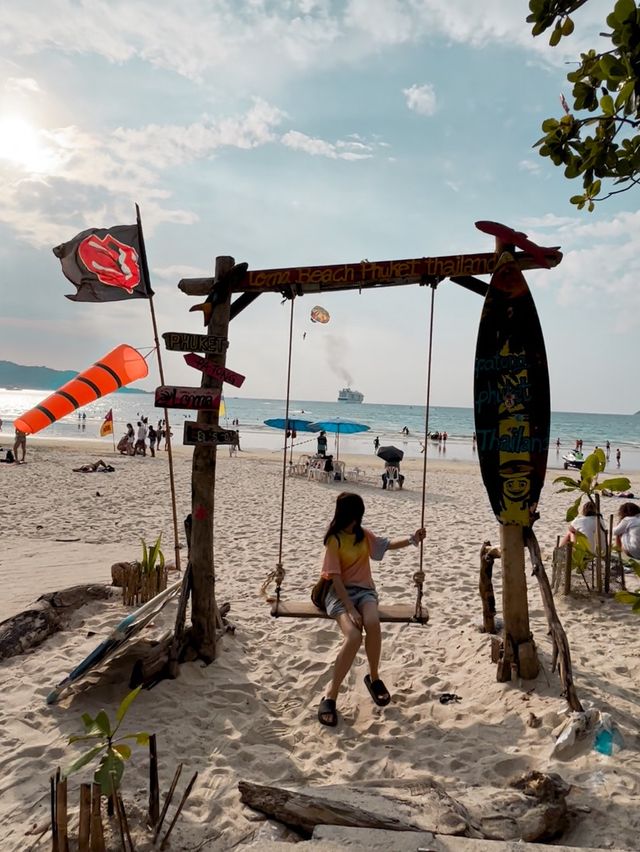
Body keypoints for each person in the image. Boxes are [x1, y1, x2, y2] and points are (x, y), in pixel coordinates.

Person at [316, 492, 426, 727]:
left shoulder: (362, 536)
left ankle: (373, 677)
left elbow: (385, 546)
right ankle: (331, 694)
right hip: (339, 595)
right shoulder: (334, 540)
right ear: (353, 515)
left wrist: (412, 539)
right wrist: (350, 609)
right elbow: (334, 579)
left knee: (373, 624)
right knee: (354, 636)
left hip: (365, 592)